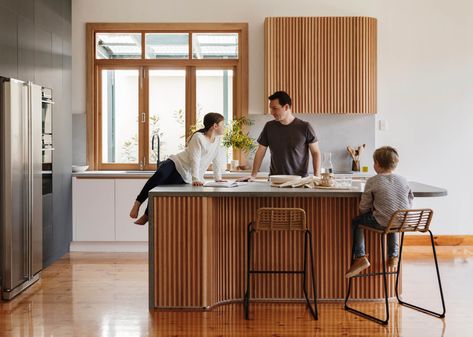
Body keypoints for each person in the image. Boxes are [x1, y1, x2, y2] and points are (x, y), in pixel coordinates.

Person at [130, 112, 226, 225]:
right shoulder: (198, 137)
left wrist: (218, 178)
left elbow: (216, 159)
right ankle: (138, 203)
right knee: (160, 176)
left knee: (161, 190)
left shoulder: (218, 140)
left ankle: (146, 216)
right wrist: (195, 178)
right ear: (215, 126)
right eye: (223, 124)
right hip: (176, 163)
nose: (224, 127)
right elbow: (195, 158)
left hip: (186, 174)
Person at [345, 146, 414, 278]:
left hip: (384, 221)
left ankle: (360, 256)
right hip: (403, 221)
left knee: (357, 222)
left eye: (374, 162)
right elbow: (410, 198)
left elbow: (363, 207)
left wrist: (368, 210)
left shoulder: (372, 181)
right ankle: (393, 255)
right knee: (393, 220)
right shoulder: (403, 180)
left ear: (377, 164)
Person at [239, 91, 321, 181]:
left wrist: (317, 177)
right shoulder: (269, 126)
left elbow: (315, 152)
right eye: (271, 109)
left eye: (275, 108)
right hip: (275, 181)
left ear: (286, 107)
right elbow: (260, 152)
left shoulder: (305, 127)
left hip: (299, 181)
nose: (272, 112)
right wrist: (253, 175)